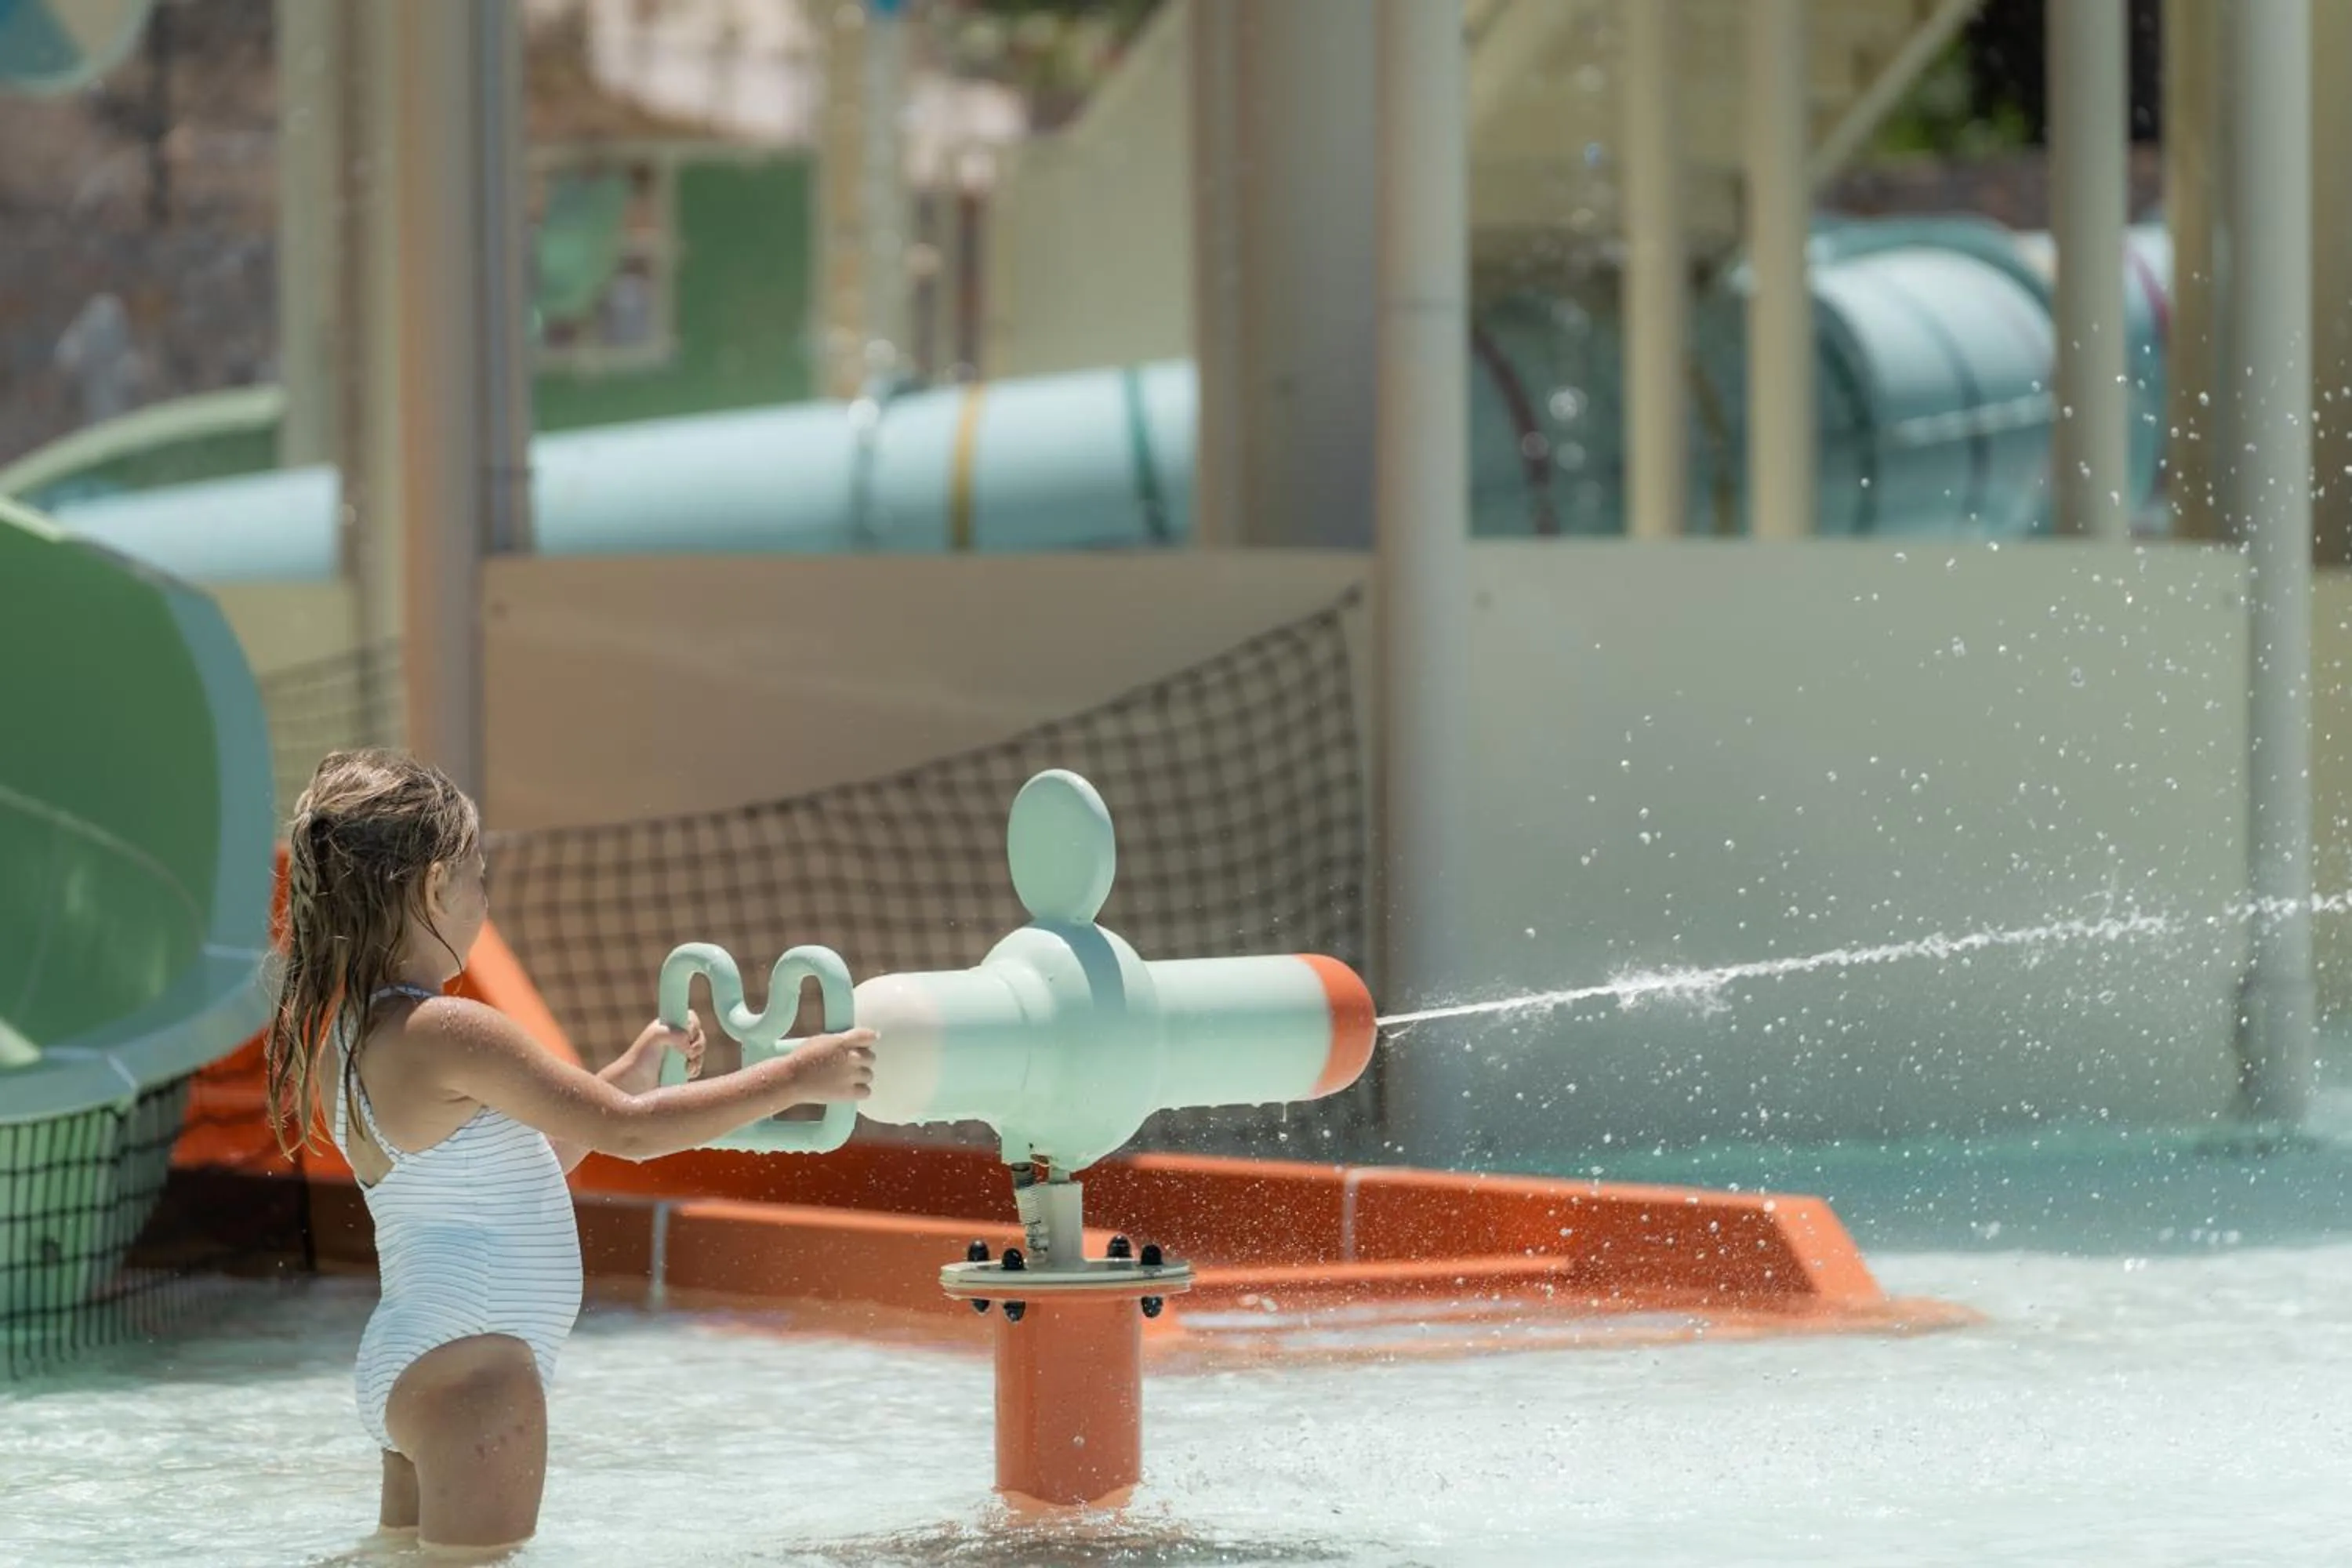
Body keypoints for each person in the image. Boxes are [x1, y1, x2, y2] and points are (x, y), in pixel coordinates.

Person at [263, 747, 876, 1561]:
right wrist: (799, 1073)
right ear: (435, 883)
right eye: (480, 876)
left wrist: (624, 1073)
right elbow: (631, 1130)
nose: (486, 898)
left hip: (417, 1355)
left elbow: (516, 1163)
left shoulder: (355, 1035)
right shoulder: (449, 1027)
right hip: (481, 1374)